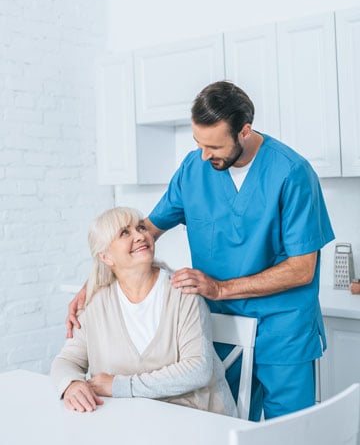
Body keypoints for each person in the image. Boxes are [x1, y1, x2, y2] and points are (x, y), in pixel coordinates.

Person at [66, 81, 335, 421]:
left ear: (245, 131)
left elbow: (302, 269)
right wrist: (93, 285)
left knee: (292, 433)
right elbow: (143, 232)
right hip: (222, 324)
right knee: (225, 423)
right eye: (198, 143)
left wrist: (220, 288)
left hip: (282, 328)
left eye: (213, 146)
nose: (205, 155)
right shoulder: (194, 169)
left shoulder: (292, 173)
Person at [52, 206, 237, 416]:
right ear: (105, 257)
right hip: (132, 422)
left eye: (141, 227)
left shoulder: (183, 291)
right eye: (125, 232)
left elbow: (198, 369)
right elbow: (66, 361)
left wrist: (119, 386)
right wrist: (72, 384)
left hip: (197, 419)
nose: (140, 236)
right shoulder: (95, 304)